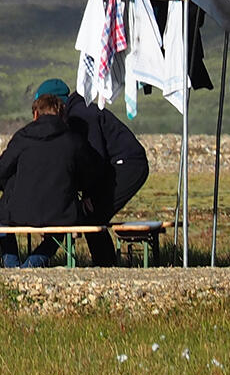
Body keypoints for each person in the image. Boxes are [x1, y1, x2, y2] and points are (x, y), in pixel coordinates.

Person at [36, 77, 150, 266]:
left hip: (128, 165)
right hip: (115, 165)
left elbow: (95, 158)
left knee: (94, 215)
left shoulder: (81, 115)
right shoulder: (77, 113)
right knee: (92, 215)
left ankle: (105, 265)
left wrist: (89, 191)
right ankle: (105, 264)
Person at [0, 92, 96, 267]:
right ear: (62, 115)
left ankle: (11, 264)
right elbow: (90, 175)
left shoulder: (22, 138)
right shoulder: (73, 141)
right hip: (61, 213)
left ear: (36, 114)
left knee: (3, 217)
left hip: (19, 211)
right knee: (61, 229)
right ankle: (32, 264)